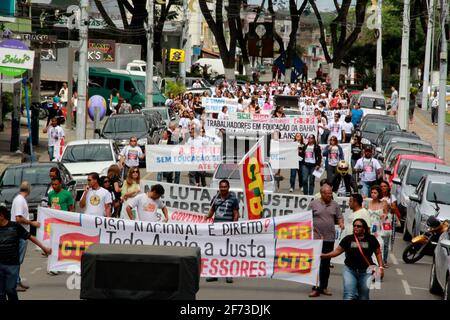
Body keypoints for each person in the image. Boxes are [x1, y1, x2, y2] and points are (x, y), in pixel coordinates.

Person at [321, 218, 384, 300]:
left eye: (359, 226)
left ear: (364, 228)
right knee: (349, 295)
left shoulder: (371, 239)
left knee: (363, 296)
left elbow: (378, 253)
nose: (356, 228)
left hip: (366, 272)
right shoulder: (348, 239)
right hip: (349, 271)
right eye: (354, 226)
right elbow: (337, 251)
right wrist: (325, 255)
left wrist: (381, 267)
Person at [0, 205, 51, 301]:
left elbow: (30, 237)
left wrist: (44, 248)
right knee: (1, 293)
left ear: (1, 216)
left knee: (10, 290)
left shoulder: (15, 227)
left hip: (12, 265)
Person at [307, 184, 344, 297]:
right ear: (322, 193)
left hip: (329, 239)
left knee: (326, 264)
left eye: (330, 193)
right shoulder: (314, 204)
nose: (329, 195)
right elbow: (306, 217)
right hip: (316, 239)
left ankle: (324, 287)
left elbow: (339, 216)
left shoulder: (335, 205)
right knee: (317, 264)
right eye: (327, 193)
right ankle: (315, 288)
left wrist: (341, 222)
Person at [205, 179, 239, 284]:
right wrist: (206, 217)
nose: (223, 189)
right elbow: (211, 211)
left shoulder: (233, 199)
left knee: (227, 252)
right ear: (219, 187)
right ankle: (214, 274)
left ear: (228, 188)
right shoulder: (215, 198)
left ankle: (228, 275)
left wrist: (233, 225)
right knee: (215, 252)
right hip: (216, 229)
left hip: (227, 230)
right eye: (221, 187)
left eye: (225, 187)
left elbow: (236, 214)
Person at [11, 181, 40, 292]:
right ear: (29, 190)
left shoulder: (20, 199)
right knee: (17, 260)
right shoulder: (20, 200)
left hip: (20, 233)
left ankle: (17, 281)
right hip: (19, 234)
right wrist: (32, 223)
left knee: (17, 259)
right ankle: (15, 283)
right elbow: (19, 218)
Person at [379, 180, 398, 267]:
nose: (383, 188)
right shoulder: (376, 196)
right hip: (377, 220)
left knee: (385, 242)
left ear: (388, 188)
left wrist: (387, 204)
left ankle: (384, 260)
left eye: (385, 186)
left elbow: (394, 210)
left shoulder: (392, 197)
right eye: (381, 186)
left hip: (387, 222)